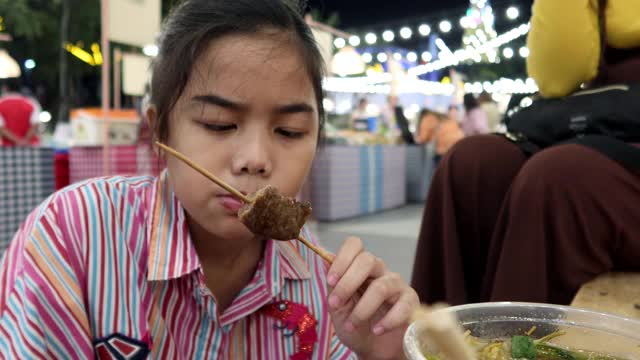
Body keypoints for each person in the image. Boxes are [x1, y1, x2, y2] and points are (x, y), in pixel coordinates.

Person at [0, 1, 417, 358]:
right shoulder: (73, 236)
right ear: (161, 131)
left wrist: (382, 353)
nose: (255, 160)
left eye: (289, 131)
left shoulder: (332, 294)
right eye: (219, 124)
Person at [411, 0, 640, 306]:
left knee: (561, 178)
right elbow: (557, 74)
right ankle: (435, 342)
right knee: (473, 164)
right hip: (605, 123)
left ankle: (512, 347)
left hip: (602, 149)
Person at [0, 78, 41, 146]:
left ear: (5, 88)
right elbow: (35, 125)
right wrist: (24, 140)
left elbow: (1, 128)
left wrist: (17, 141)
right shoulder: (32, 103)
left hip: (8, 148)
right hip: (31, 146)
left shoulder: (1, 104)